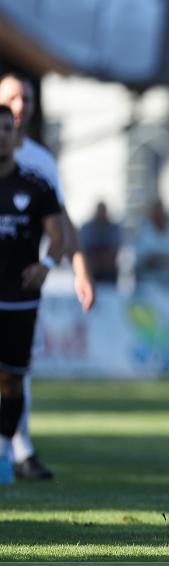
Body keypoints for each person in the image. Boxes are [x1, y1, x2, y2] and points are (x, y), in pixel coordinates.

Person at [0, 71, 95, 481]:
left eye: (28, 101)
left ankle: (16, 452)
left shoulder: (40, 165)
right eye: (14, 99)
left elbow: (61, 221)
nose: (21, 108)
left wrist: (77, 267)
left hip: (19, 291)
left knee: (14, 376)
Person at [0, 104, 64, 484]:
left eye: (6, 128)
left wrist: (48, 266)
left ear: (14, 133)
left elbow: (58, 236)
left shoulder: (35, 184)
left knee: (11, 378)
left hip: (19, 298)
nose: (2, 135)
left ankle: (5, 452)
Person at [133, 198, 169, 284]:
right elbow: (138, 260)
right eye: (156, 212)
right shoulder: (143, 233)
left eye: (160, 211)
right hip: (149, 284)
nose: (158, 215)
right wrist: (155, 259)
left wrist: (164, 259)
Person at [80, 200, 121, 283]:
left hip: (109, 273)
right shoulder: (87, 228)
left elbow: (114, 251)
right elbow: (83, 249)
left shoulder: (114, 228)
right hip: (91, 272)